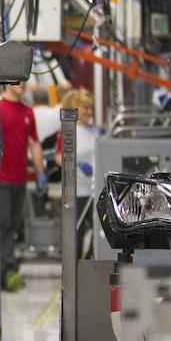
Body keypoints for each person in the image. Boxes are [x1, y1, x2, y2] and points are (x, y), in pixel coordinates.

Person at [0, 81, 45, 292]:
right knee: (3, 226)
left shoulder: (28, 112)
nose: (23, 84)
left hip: (20, 179)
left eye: (24, 81)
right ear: (6, 84)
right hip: (1, 179)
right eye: (18, 81)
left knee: (13, 226)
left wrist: (40, 173)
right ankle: (6, 272)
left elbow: (34, 143)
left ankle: (6, 270)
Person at [55, 89, 99, 257]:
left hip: (94, 190)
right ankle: (73, 271)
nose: (89, 112)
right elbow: (59, 157)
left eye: (90, 108)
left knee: (98, 231)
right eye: (85, 108)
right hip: (76, 190)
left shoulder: (93, 131)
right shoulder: (68, 132)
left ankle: (88, 263)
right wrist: (76, 164)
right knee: (76, 234)